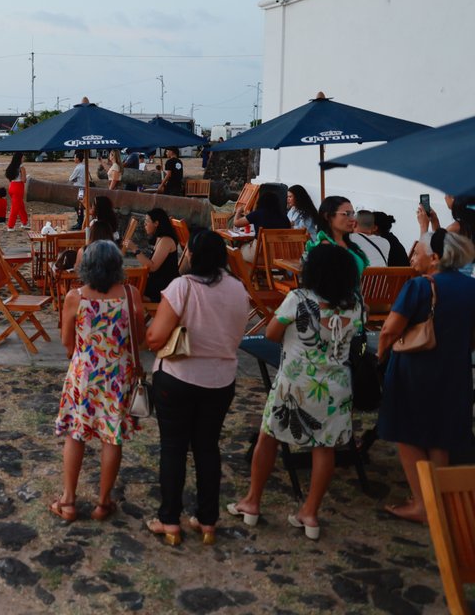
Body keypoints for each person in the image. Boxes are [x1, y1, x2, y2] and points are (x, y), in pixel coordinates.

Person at [229, 243, 363, 542]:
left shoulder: (299, 299)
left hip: (296, 382)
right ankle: (310, 513)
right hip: (336, 386)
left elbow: (271, 334)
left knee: (269, 438)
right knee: (324, 447)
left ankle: (252, 501)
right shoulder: (355, 304)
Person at [145, 231, 250, 545]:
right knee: (207, 447)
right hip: (220, 380)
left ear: (190, 254)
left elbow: (155, 338)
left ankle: (169, 520)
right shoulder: (238, 289)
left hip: (178, 377)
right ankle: (207, 521)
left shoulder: (182, 287)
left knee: (173, 448)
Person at [376, 230, 475, 522]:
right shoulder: (471, 286)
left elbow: (390, 330)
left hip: (415, 369)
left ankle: (422, 503)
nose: (412, 257)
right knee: (439, 436)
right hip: (454, 369)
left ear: (435, 258)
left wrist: (379, 356)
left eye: (417, 252)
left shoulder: (419, 286)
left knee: (407, 434)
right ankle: (438, 499)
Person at [50, 240, 145, 523]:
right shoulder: (130, 295)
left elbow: (67, 342)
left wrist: (83, 353)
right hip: (118, 375)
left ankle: (68, 501)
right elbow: (139, 338)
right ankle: (103, 503)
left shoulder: (75, 297)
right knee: (111, 437)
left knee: (76, 434)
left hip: (84, 375)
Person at [124, 208, 180, 303]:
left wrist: (135, 249)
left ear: (156, 223)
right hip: (157, 281)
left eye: (147, 221)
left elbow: (152, 267)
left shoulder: (166, 240)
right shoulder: (160, 238)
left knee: (129, 290)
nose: (145, 224)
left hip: (163, 287)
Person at [306, 196, 368, 275]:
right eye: (347, 214)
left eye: (353, 214)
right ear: (327, 216)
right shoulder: (325, 248)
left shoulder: (350, 244)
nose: (352, 219)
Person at [418, 194, 475, 276]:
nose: (445, 197)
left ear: (454, 198)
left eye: (446, 194)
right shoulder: (468, 224)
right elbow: (439, 243)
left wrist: (423, 225)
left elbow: (430, 253)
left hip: (456, 278)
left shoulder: (456, 228)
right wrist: (435, 221)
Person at [234, 190, 291, 262]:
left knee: (238, 248)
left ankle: (244, 268)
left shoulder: (258, 213)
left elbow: (236, 223)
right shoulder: (284, 217)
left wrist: (238, 211)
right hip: (279, 257)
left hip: (259, 256)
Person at [5, 152, 28, 230]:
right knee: (15, 208)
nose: (24, 158)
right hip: (18, 188)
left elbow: (9, 177)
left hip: (12, 186)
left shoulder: (11, 166)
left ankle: (25, 222)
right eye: (23, 157)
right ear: (20, 158)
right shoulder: (22, 168)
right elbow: (24, 180)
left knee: (20, 206)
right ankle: (10, 226)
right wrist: (27, 177)